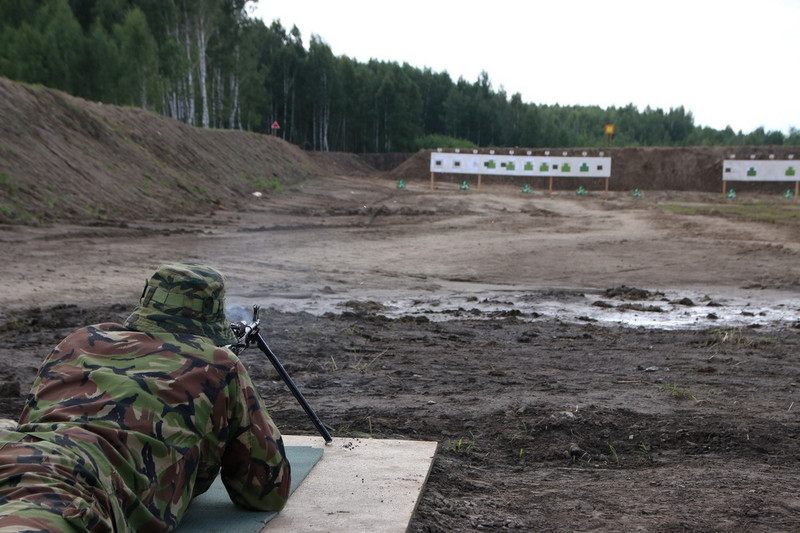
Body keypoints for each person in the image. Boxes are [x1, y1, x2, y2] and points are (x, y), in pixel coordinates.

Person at [0, 262, 291, 532]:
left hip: (15, 453)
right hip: (77, 487)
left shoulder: (79, 340)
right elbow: (265, 491)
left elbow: (32, 420)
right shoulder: (218, 363)